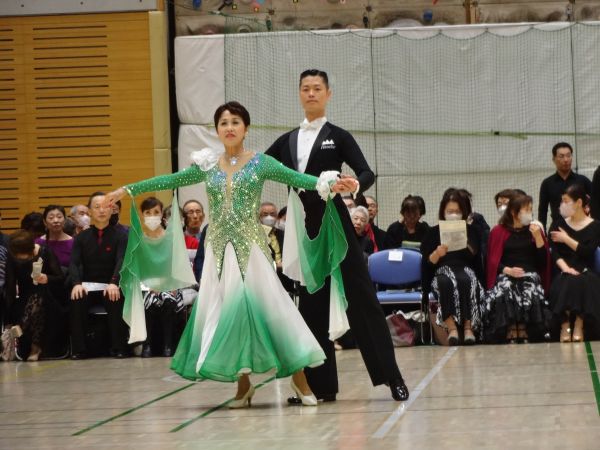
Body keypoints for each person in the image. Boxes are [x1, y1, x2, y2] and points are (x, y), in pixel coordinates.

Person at [105, 101, 349, 408]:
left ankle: (299, 379)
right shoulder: (208, 165)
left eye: (235, 122)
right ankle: (243, 386)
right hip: (218, 253)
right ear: (217, 130)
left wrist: (331, 183)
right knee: (227, 316)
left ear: (246, 128)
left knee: (275, 312)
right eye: (223, 123)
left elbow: (298, 179)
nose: (229, 127)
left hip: (252, 252)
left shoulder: (261, 163)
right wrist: (127, 190)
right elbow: (168, 180)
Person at [266, 69, 408, 402]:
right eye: (305, 88)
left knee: (362, 299)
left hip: (337, 226)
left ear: (328, 94)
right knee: (311, 305)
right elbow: (258, 165)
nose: (311, 93)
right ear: (299, 93)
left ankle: (392, 377)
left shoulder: (338, 136)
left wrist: (354, 185)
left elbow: (366, 172)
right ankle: (320, 386)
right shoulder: (287, 140)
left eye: (317, 88)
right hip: (304, 231)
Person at [420, 188, 485, 346]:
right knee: (445, 282)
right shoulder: (432, 232)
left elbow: (476, 257)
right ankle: (452, 329)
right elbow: (427, 264)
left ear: (463, 212)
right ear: (443, 212)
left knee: (468, 280)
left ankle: (469, 328)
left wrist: (464, 240)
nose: (453, 214)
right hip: (442, 270)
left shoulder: (473, 231)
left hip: (465, 269)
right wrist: (437, 253)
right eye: (450, 211)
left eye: (457, 211)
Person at [69, 192, 129, 359]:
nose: (101, 210)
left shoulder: (121, 236)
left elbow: (121, 261)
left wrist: (114, 282)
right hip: (87, 285)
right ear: (90, 211)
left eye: (105, 207)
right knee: (77, 298)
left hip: (111, 285)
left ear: (112, 210)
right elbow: (74, 263)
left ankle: (119, 347)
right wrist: (76, 284)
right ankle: (79, 349)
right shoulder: (81, 238)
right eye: (97, 207)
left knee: (115, 297)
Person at [485, 193, 550, 344]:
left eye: (531, 210)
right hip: (507, 272)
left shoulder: (535, 230)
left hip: (530, 272)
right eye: (526, 210)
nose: (530, 213)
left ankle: (524, 326)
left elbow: (542, 262)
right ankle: (511, 326)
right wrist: (507, 270)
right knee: (506, 285)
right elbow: (492, 261)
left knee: (529, 284)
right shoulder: (498, 231)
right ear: (514, 213)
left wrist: (538, 238)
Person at [548, 184, 600, 342]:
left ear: (578, 203)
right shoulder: (557, 224)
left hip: (585, 269)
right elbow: (553, 251)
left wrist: (566, 239)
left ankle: (579, 323)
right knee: (567, 280)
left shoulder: (595, 226)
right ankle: (565, 324)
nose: (562, 205)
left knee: (584, 281)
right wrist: (565, 268)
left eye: (566, 201)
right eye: (561, 201)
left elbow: (587, 251)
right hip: (564, 268)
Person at [137, 196, 186, 358]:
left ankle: (168, 345)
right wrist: (150, 285)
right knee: (149, 299)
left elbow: (177, 268)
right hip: (145, 285)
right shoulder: (138, 240)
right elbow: (136, 269)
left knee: (168, 299)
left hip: (169, 284)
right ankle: (147, 345)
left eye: (156, 212)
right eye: (148, 213)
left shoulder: (171, 239)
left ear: (162, 216)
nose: (152, 216)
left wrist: (168, 285)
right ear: (142, 215)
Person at [4, 230, 64, 361]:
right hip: (24, 299)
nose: (22, 258)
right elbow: (10, 287)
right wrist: (8, 317)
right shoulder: (12, 257)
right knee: (35, 302)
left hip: (49, 297)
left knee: (39, 299)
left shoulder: (45, 252)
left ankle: (30, 341)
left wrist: (46, 278)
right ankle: (34, 347)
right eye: (19, 256)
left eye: (24, 255)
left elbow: (60, 279)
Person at [538, 142, 591, 230]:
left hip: (581, 229)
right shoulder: (547, 183)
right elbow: (542, 211)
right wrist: (542, 233)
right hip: (557, 229)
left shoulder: (583, 180)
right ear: (554, 159)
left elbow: (595, 202)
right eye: (561, 156)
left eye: (568, 155)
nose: (566, 159)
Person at [259, 202, 294, 293]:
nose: (269, 217)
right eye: (265, 214)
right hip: (264, 280)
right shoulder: (256, 235)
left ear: (276, 217)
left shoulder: (283, 234)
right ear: (259, 217)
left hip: (284, 281)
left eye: (272, 214)